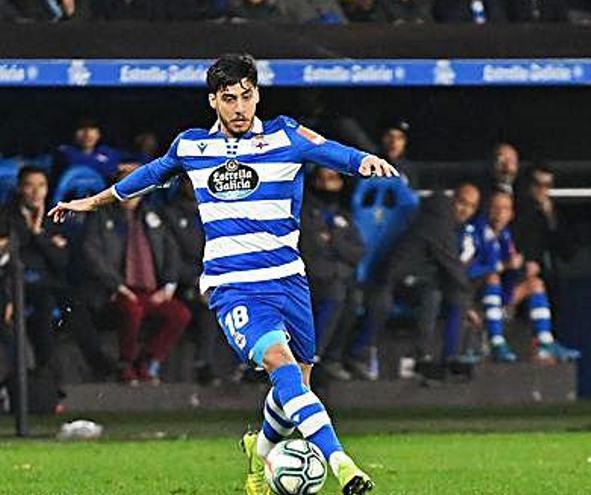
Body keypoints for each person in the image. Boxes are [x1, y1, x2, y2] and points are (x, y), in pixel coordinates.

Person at [49, 53, 396, 495]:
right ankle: (342, 464)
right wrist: (89, 202)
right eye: (228, 98)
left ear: (257, 95)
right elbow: (146, 177)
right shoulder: (193, 146)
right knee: (281, 366)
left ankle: (262, 449)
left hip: (288, 279)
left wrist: (364, 160)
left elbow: (331, 150)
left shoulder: (284, 135)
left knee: (297, 386)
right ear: (213, 100)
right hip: (233, 285)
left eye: (246, 97)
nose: (239, 107)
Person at [81, 171, 191, 386]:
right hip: (115, 290)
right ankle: (126, 363)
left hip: (150, 290)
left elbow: (172, 252)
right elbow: (92, 255)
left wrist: (168, 287)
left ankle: (148, 360)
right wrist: (118, 286)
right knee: (132, 310)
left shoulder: (154, 216)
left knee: (180, 314)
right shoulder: (101, 216)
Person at [356, 183, 478, 374]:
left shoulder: (453, 225)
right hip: (390, 280)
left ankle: (446, 358)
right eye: (462, 202)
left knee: (442, 294)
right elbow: (451, 265)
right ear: (453, 199)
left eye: (471, 206)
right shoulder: (438, 220)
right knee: (445, 294)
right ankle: (361, 353)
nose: (465, 210)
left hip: (415, 281)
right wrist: (471, 304)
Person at [463, 190, 580, 363]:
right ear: (487, 210)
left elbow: (510, 270)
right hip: (472, 298)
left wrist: (522, 269)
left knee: (535, 284)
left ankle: (545, 341)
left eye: (505, 209)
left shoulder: (506, 236)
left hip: (499, 298)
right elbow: (465, 271)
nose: (500, 213)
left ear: (511, 214)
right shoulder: (472, 232)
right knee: (492, 277)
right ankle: (496, 342)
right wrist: (502, 266)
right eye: (496, 208)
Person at [3, 167, 69, 395]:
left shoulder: (54, 217)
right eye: (30, 185)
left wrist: (38, 233)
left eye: (41, 185)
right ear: (21, 188)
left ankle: (50, 390)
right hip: (11, 286)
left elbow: (61, 261)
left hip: (44, 288)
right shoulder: (6, 217)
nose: (35, 191)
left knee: (47, 321)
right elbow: (10, 255)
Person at [299, 168, 365, 381]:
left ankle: (332, 358)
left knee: (353, 298)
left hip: (336, 278)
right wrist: (338, 254)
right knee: (336, 292)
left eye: (333, 179)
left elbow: (358, 252)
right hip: (310, 279)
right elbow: (310, 249)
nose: (328, 185)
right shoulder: (304, 212)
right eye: (323, 179)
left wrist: (334, 241)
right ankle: (312, 358)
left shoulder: (342, 215)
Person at [162, 176, 225, 386]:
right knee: (208, 308)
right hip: (183, 283)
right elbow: (172, 257)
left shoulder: (218, 212)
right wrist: (196, 280)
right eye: (191, 181)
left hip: (216, 278)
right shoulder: (170, 214)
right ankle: (203, 364)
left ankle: (250, 366)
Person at [54, 118, 120, 181]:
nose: (87, 134)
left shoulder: (108, 152)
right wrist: (115, 168)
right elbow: (81, 166)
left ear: (99, 134)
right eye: (81, 128)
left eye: (92, 128)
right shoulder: (64, 151)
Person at [380, 119, 418, 188]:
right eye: (390, 136)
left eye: (399, 138)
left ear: (405, 142)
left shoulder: (409, 169)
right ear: (383, 138)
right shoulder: (371, 162)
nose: (393, 142)